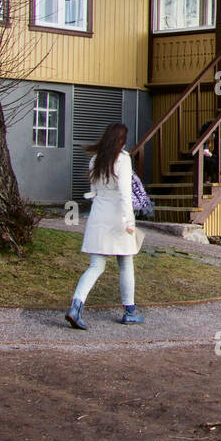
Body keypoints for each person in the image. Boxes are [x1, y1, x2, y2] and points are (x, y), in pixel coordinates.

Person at [65, 122, 142, 329]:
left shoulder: (95, 159)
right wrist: (129, 221)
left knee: (95, 266)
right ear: (122, 140)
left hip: (99, 216)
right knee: (125, 264)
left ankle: (76, 306)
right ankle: (129, 311)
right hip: (118, 218)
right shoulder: (123, 159)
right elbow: (126, 192)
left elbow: (93, 192)